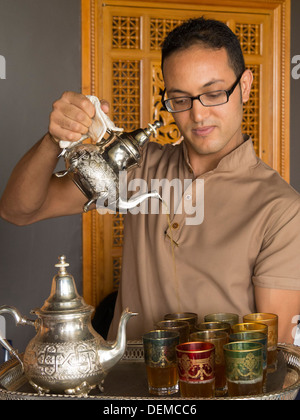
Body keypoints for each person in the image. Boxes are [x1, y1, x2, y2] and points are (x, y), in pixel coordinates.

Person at [1, 17, 300, 343]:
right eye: (180, 99)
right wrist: (55, 140)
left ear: (244, 86)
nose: (198, 115)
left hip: (215, 391)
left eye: (213, 93)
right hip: (121, 389)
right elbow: (18, 210)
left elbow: (273, 355)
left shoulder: (281, 210)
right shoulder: (139, 167)